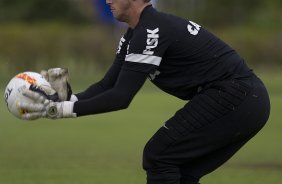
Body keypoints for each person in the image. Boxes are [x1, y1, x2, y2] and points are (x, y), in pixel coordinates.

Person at [19, 0, 270, 183]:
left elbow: (121, 98)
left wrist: (57, 110)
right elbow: (108, 86)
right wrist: (65, 98)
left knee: (159, 155)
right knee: (181, 171)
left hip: (237, 96)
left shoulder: (152, 30)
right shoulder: (134, 35)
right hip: (244, 99)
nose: (107, 0)